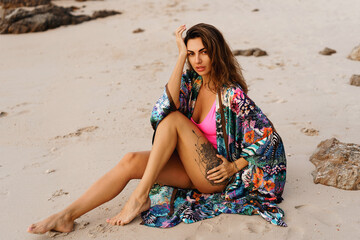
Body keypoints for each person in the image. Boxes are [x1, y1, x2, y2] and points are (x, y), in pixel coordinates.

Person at [28, 23, 287, 234]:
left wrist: (234, 166)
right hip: (190, 167)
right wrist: (178, 57)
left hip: (215, 176)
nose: (198, 59)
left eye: (204, 52)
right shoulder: (193, 83)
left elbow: (269, 136)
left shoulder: (231, 94)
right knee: (130, 160)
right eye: (191, 53)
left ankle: (139, 197)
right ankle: (66, 216)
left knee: (174, 120)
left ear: (215, 53)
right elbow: (163, 108)